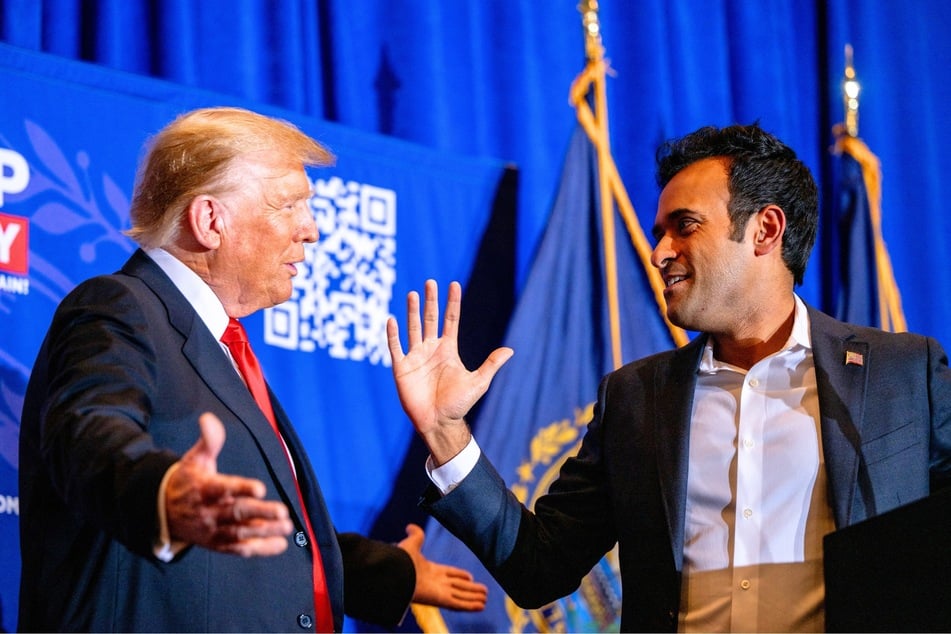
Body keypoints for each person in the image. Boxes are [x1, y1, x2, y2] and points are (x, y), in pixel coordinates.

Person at [387, 123, 951, 632]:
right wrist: (446, 432)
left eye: (685, 226)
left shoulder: (903, 375)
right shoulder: (635, 398)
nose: (660, 252)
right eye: (660, 231)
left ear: (765, 230)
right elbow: (540, 567)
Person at [18, 106, 488, 633]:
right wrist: (163, 493)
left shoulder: (224, 347)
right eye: (288, 205)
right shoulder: (118, 307)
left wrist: (392, 572)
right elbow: (89, 435)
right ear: (210, 220)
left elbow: (265, 533)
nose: (310, 230)